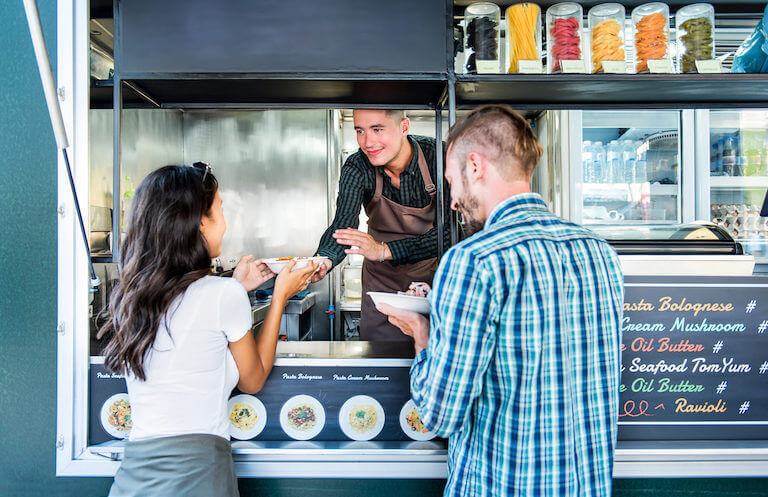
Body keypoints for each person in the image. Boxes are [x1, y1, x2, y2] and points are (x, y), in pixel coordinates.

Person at [378, 105, 624, 497]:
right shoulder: (600, 252)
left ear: (475, 166)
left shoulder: (474, 260)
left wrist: (423, 333)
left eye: (452, 181)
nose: (454, 200)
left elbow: (439, 414)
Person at [99, 163, 317, 497]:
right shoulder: (220, 295)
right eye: (220, 211)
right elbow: (253, 380)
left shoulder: (131, 297)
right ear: (201, 223)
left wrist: (235, 287)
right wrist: (279, 298)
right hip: (198, 478)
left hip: (134, 479)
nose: (225, 224)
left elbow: (193, 325)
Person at [312, 109, 450, 341]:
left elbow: (452, 233)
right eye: (360, 131)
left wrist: (385, 250)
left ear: (404, 127)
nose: (368, 142)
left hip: (433, 282)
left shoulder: (439, 156)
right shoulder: (358, 166)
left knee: (434, 350)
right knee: (379, 359)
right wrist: (322, 261)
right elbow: (343, 224)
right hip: (381, 286)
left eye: (377, 129)